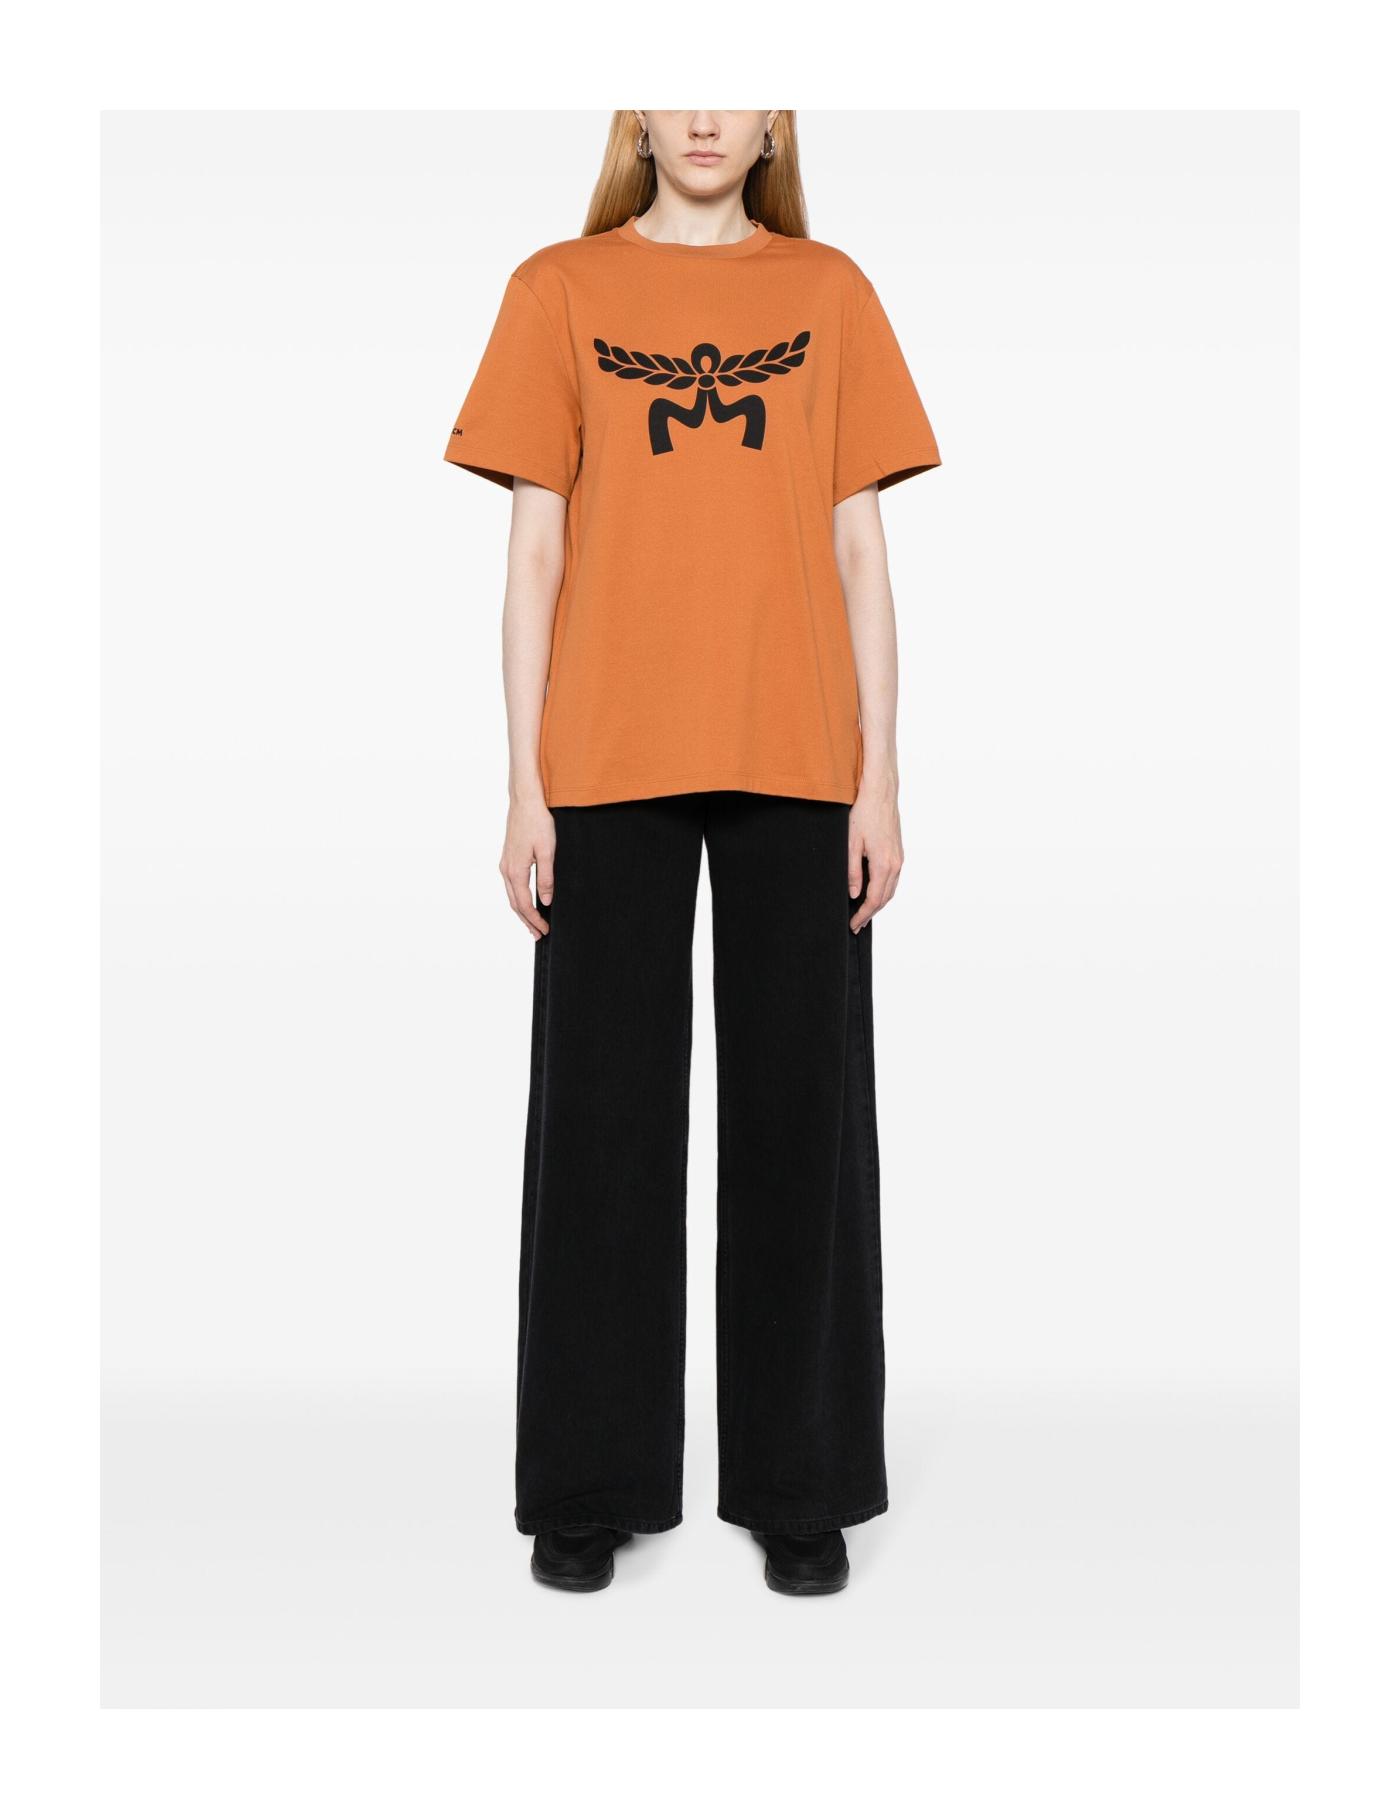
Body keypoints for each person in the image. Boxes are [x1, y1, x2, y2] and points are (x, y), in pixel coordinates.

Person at [444, 110, 940, 1595]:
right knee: (599, 1129)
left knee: (805, 1125)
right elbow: (535, 550)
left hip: (799, 755)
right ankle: (587, 1483)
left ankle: (802, 1482)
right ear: (640, 116)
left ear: (776, 118)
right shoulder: (560, 289)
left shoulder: (829, 292)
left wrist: (881, 778)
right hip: (605, 759)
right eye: (677, 81)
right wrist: (523, 784)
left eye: (738, 83)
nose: (708, 114)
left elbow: (861, 548)